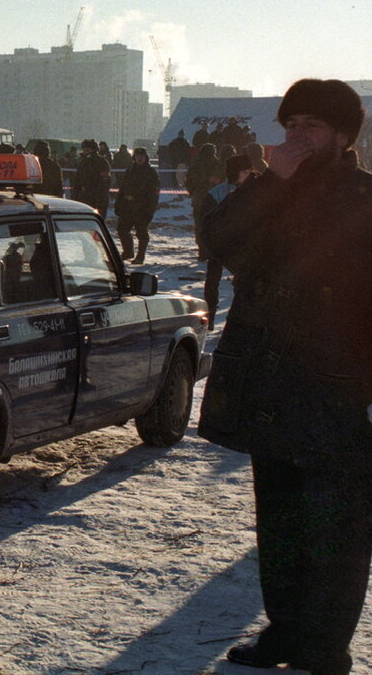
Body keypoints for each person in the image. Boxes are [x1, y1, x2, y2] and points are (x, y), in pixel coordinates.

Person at [199, 79, 371, 675]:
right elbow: (216, 238)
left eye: (313, 127)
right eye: (291, 125)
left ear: (344, 136)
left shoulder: (366, 199)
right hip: (270, 384)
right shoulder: (274, 191)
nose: (297, 137)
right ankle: (286, 633)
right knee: (281, 522)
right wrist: (272, 183)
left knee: (337, 532)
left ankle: (324, 652)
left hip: (338, 390)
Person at [199, 153, 253, 329]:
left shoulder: (257, 190)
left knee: (243, 283)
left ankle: (240, 319)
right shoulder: (217, 193)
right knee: (215, 281)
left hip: (243, 245)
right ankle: (211, 317)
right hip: (222, 244)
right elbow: (205, 222)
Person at [113, 146, 159, 264]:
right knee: (122, 229)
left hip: (142, 207)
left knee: (141, 232)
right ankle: (128, 252)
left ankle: (140, 256)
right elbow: (123, 189)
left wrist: (150, 210)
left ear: (146, 157)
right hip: (127, 205)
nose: (139, 158)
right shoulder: (130, 170)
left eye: (142, 156)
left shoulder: (151, 172)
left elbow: (154, 194)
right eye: (137, 156)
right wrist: (118, 204)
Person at [185, 143, 224, 260]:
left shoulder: (195, 165)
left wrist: (193, 193)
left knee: (200, 226)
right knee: (214, 226)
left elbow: (188, 182)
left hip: (199, 200)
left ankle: (202, 251)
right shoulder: (218, 165)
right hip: (215, 200)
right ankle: (212, 251)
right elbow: (222, 182)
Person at [72, 138, 111, 217]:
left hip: (95, 199)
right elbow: (78, 181)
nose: (85, 151)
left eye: (87, 150)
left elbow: (105, 182)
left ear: (93, 150)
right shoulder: (83, 162)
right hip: (86, 198)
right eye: (84, 149)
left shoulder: (101, 162)